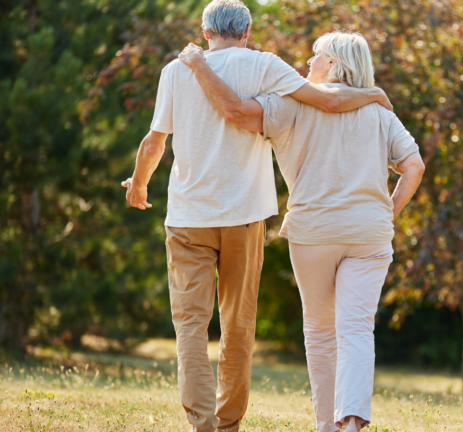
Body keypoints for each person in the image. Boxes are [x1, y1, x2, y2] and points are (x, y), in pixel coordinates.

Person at [120, 1, 393, 430]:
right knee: (238, 326)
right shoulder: (265, 65)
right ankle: (229, 425)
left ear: (204, 30)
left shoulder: (175, 70)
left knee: (190, 326)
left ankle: (201, 423)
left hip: (188, 217)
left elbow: (154, 141)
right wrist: (375, 94)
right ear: (247, 29)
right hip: (244, 217)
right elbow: (328, 100)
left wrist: (138, 183)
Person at [178, 31, 424, 432]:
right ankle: (352, 420)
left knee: (320, 330)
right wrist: (388, 212)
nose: (306, 64)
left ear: (332, 64)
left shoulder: (290, 105)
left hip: (315, 231)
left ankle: (326, 424)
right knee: (358, 327)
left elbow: (238, 113)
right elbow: (414, 167)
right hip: (370, 234)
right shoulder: (381, 111)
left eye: (315, 57)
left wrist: (199, 66)